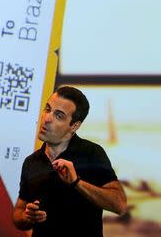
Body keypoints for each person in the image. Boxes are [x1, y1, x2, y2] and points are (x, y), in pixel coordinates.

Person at [12, 86, 127, 237]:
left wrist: (76, 183)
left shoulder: (92, 153)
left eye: (58, 116)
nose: (46, 119)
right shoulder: (31, 162)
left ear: (74, 126)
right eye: (47, 109)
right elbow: (18, 213)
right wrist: (27, 217)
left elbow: (119, 205)